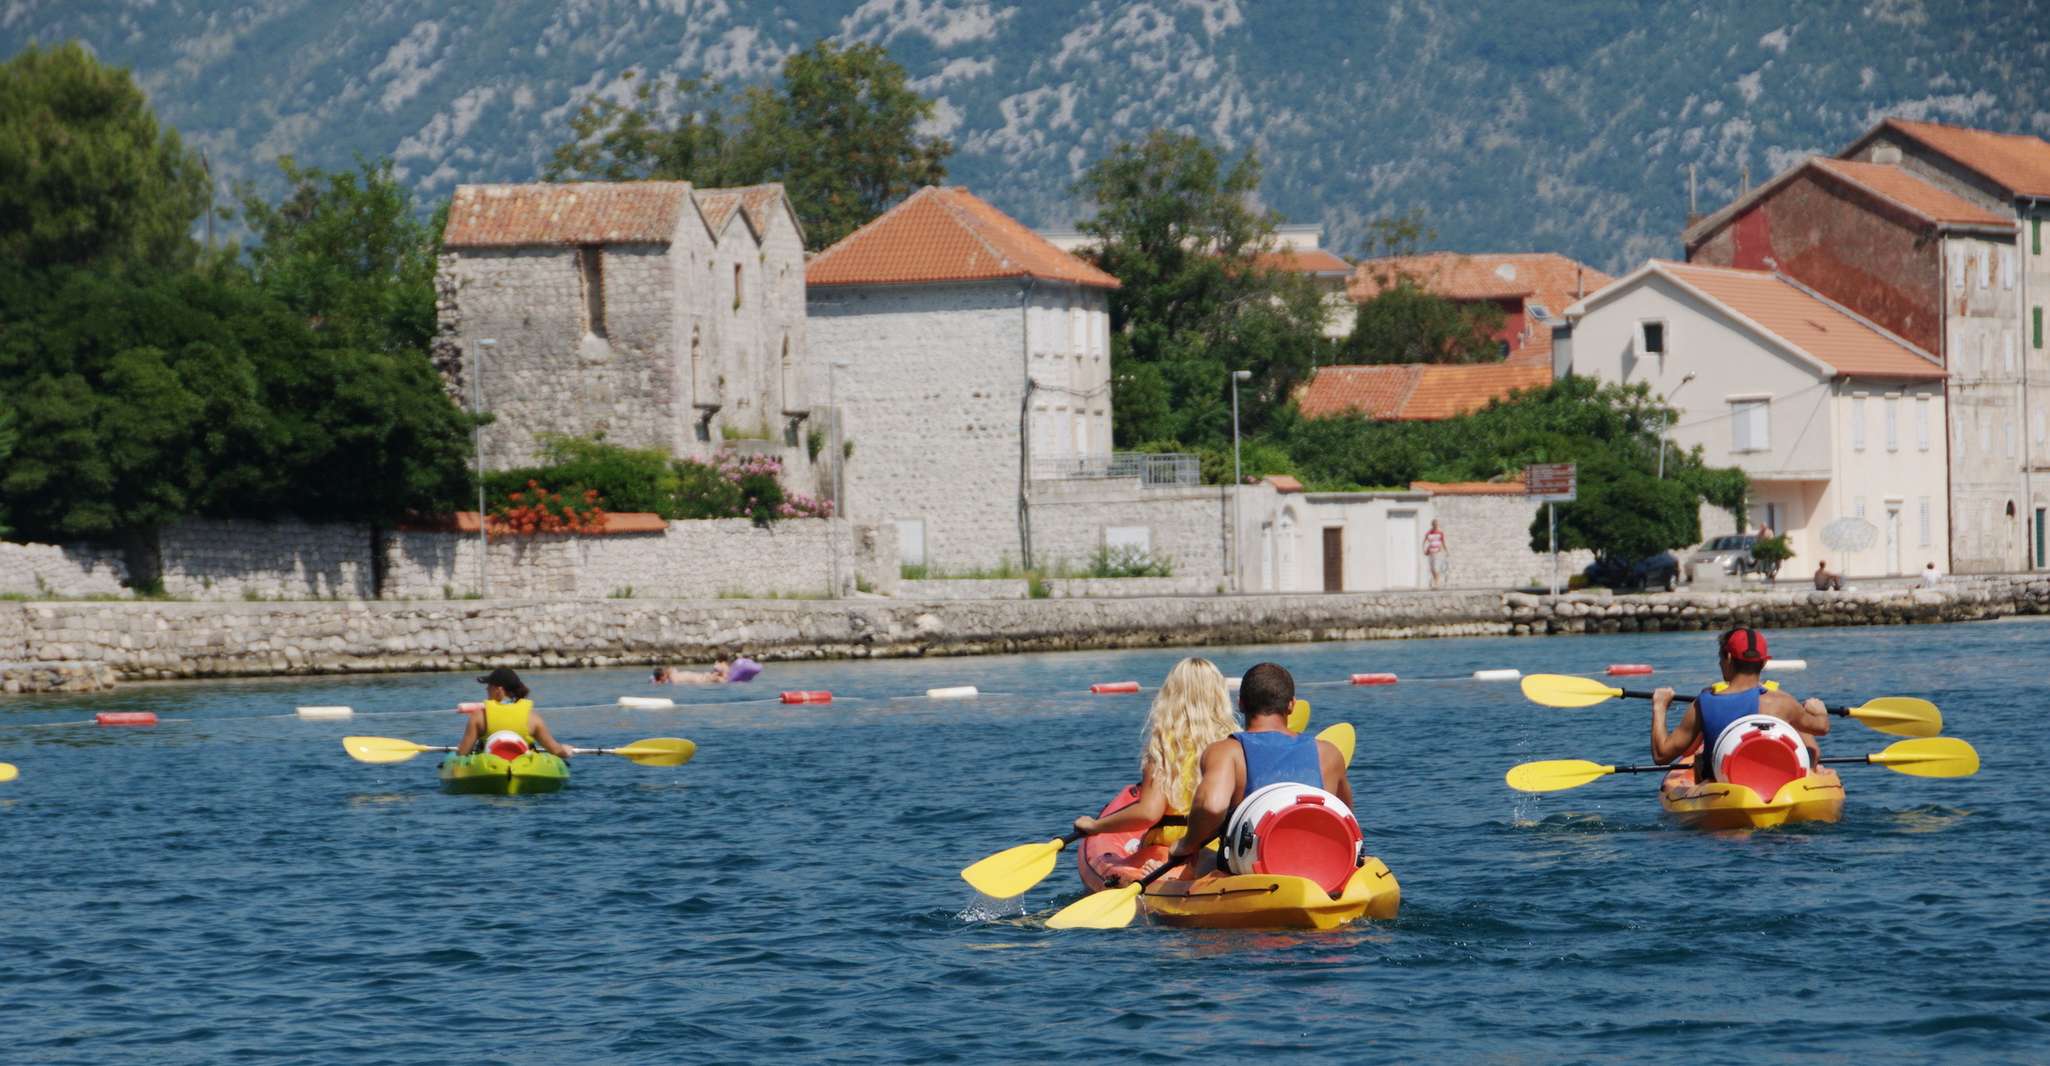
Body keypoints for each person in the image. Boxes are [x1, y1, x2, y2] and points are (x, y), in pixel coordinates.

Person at [1160, 663, 1352, 876]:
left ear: (1241, 704)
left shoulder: (1227, 752)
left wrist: (1187, 844)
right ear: (1291, 705)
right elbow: (1345, 814)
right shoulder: (1328, 753)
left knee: (1201, 860)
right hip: (1318, 865)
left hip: (1251, 869)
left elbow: (1211, 807)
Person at [1071, 657, 1238, 885]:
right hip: (1221, 850)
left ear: (1171, 696)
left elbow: (1149, 812)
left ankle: (1175, 874)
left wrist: (1095, 826)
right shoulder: (1234, 743)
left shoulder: (1165, 747)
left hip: (1169, 851)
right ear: (1220, 696)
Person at [1649, 628, 1829, 779]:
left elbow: (1662, 755)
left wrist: (1660, 707)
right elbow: (1822, 728)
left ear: (1727, 657)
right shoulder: (1783, 702)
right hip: (1773, 785)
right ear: (1765, 662)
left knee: (1699, 759)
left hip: (1722, 792)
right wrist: (1818, 710)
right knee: (1804, 738)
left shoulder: (1704, 703)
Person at [459, 667, 572, 759]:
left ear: (499, 690)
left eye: (489, 686)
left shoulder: (479, 716)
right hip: (524, 767)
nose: (486, 689)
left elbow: (462, 754)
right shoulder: (532, 718)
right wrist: (565, 750)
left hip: (488, 768)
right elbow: (556, 750)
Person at [652, 652, 731, 685]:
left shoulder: (673, 679)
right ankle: (726, 676)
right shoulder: (673, 672)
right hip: (701, 677)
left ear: (662, 677)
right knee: (717, 676)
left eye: (660, 679)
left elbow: (669, 674)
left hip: (701, 680)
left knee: (718, 678)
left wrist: (660, 682)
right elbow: (670, 669)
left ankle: (727, 679)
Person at [1423, 519, 1449, 589]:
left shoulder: (1440, 533)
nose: (1435, 526)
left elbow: (1443, 542)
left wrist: (1446, 551)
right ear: (1432, 525)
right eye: (1434, 524)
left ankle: (1437, 584)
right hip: (1431, 552)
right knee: (1432, 569)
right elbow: (1424, 541)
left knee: (1435, 567)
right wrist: (1424, 550)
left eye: (1436, 524)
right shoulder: (1429, 533)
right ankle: (1435, 582)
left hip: (1437, 552)